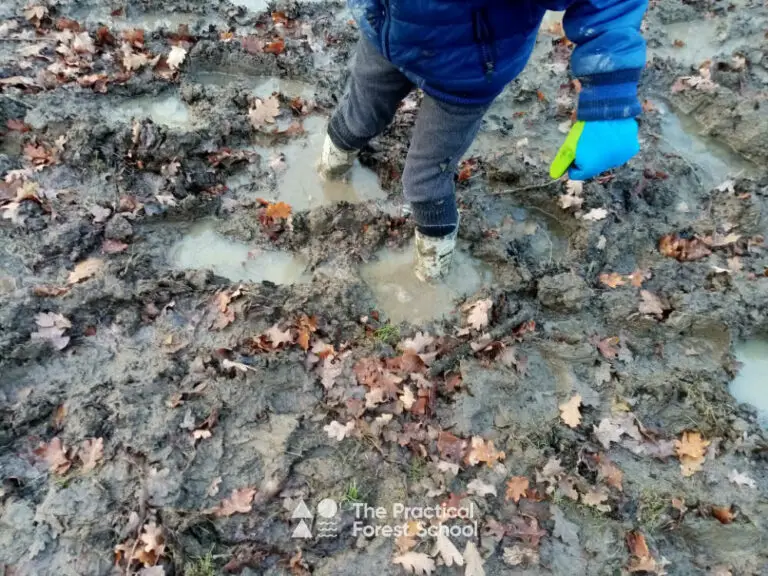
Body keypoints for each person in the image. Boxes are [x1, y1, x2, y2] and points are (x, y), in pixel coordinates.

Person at [318, 0, 647, 281]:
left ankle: (430, 279)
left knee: (424, 180)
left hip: (468, 70)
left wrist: (609, 98)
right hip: (383, 32)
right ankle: (327, 180)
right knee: (355, 120)